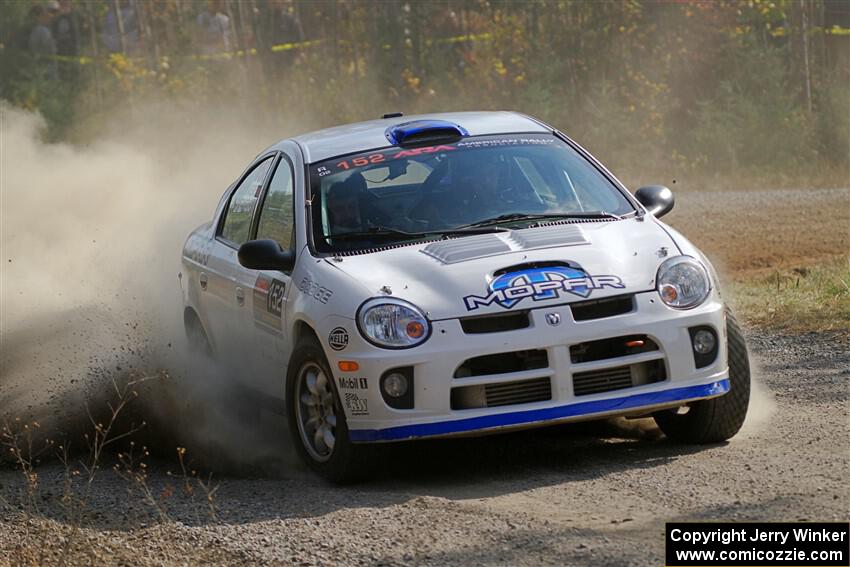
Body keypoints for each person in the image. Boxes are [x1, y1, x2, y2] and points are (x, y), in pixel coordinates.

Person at [52, 0, 81, 80]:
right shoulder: (56, 19)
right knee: (63, 73)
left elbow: (79, 32)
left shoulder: (75, 16)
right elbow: (53, 35)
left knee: (74, 72)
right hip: (61, 51)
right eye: (61, 4)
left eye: (64, 4)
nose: (63, 6)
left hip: (73, 50)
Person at [28, 4, 58, 80]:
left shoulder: (34, 30)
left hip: (38, 63)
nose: (48, 17)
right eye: (45, 15)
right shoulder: (42, 30)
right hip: (47, 64)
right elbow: (50, 48)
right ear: (40, 17)